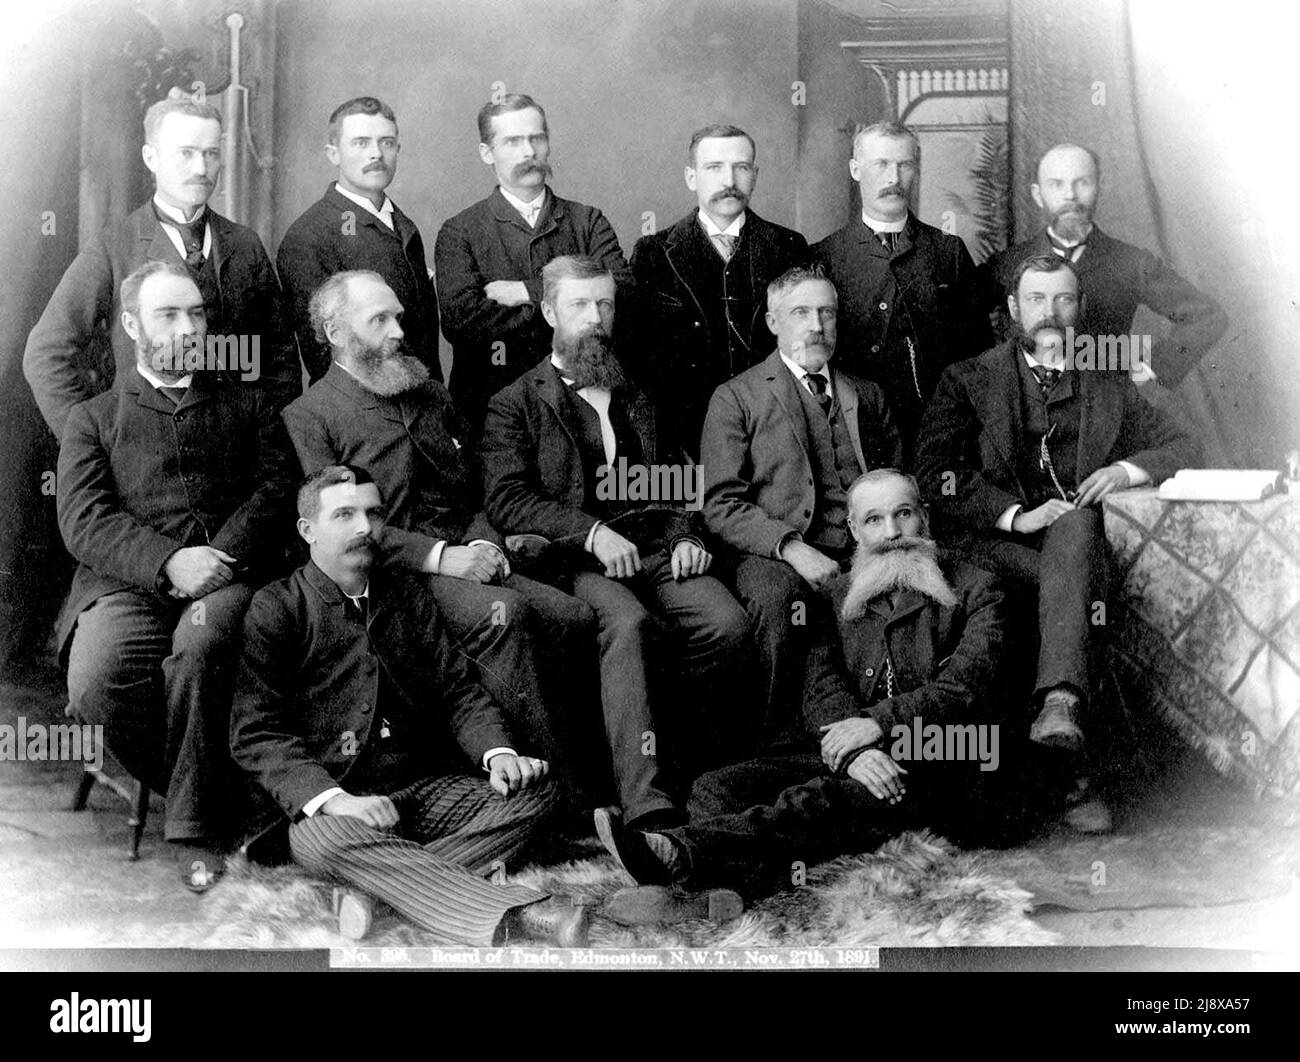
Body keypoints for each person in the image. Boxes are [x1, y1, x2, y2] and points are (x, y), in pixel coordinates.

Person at [593, 470, 1007, 919]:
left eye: (903, 514)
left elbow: (967, 686)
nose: (891, 533)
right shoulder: (839, 592)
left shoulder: (978, 587)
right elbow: (820, 682)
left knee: (815, 801)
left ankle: (678, 854)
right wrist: (855, 753)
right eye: (874, 520)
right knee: (717, 787)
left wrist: (877, 725)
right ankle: (718, 893)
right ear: (853, 530)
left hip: (944, 758)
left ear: (923, 516)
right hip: (857, 752)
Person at [229, 465, 588, 946]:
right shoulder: (277, 607)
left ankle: (376, 896)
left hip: (421, 792)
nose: (364, 527)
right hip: (335, 804)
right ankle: (519, 913)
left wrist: (500, 755)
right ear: (307, 530)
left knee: (537, 791)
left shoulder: (405, 594)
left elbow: (456, 692)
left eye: (374, 513)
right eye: (344, 514)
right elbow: (257, 734)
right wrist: (338, 802)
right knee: (322, 840)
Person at [280, 270, 597, 791]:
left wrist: (481, 543)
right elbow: (337, 527)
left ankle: (584, 782)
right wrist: (439, 556)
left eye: (398, 317)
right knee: (507, 615)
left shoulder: (427, 394)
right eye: (378, 319)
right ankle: (549, 793)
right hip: (387, 575)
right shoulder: (308, 415)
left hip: (466, 555)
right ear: (336, 333)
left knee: (574, 615)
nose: (398, 331)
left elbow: (472, 490)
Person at [914, 254, 1200, 832]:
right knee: (1070, 566)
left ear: (1081, 309)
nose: (1052, 313)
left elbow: (1184, 447)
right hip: (997, 547)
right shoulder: (967, 379)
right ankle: (1069, 754)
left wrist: (1126, 469)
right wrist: (1014, 515)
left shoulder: (1105, 380)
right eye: (1038, 300)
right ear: (1015, 310)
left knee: (1074, 528)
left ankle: (1061, 720)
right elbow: (936, 475)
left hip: (1079, 546)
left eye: (1064, 300)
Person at [481, 255, 752, 833]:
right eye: (579, 306)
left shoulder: (640, 387)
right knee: (628, 627)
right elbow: (508, 501)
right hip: (572, 562)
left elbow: (681, 478)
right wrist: (593, 533)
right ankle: (647, 805)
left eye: (604, 305)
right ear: (549, 311)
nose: (595, 319)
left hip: (655, 550)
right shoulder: (516, 402)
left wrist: (684, 536)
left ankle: (690, 769)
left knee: (727, 625)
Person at [57, 260, 296, 891]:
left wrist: (216, 558)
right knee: (97, 680)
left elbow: (276, 491)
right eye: (169, 314)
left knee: (203, 642)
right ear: (133, 324)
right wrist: (167, 562)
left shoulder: (248, 404)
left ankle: (195, 831)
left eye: (196, 312)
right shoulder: (94, 418)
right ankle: (230, 800)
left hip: (229, 578)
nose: (188, 326)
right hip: (129, 586)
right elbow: (84, 519)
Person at [701, 264, 901, 737]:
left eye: (826, 313)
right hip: (775, 553)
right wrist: (792, 548)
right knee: (778, 600)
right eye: (801, 313)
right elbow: (720, 503)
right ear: (773, 323)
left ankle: (883, 734)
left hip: (864, 545)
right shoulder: (736, 397)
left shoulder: (866, 394)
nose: (816, 326)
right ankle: (776, 743)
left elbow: (898, 479)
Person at [25, 92, 298, 440]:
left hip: (237, 457)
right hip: (151, 456)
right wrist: (89, 442)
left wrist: (267, 438)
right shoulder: (114, 247)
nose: (201, 168)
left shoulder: (245, 244)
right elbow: (45, 353)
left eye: (211, 154)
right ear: (151, 157)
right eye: (186, 153)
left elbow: (280, 355)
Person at [435, 93, 631, 433]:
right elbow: (462, 322)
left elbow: (624, 291)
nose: (528, 152)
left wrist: (527, 291)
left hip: (585, 403)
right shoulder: (460, 231)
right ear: (487, 153)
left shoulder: (587, 221)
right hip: (489, 409)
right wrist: (573, 309)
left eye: (536, 138)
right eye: (512, 141)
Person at [981, 143, 1227, 390]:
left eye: (1083, 183)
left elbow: (1207, 316)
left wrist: (1151, 368)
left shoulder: (1131, 262)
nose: (1070, 196)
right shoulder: (1008, 263)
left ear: (1100, 186)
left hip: (1104, 413)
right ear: (1037, 194)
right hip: (1026, 414)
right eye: (1056, 184)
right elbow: (951, 316)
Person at [812, 121, 990, 462]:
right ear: (855, 169)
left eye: (904, 165)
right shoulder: (825, 256)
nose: (893, 178)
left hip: (936, 433)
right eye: (881, 164)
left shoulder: (948, 252)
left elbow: (977, 356)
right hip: (854, 435)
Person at [628, 123, 808, 457]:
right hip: (685, 438)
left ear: (754, 175)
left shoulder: (788, 248)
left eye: (741, 168)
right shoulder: (652, 254)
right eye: (714, 168)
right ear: (691, 177)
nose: (729, 182)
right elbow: (642, 361)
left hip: (773, 430)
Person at [276, 97, 442, 383]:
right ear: (333, 154)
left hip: (424, 402)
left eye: (386, 143)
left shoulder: (403, 225)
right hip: (362, 414)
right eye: (361, 143)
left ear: (398, 150)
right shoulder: (309, 236)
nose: (376, 154)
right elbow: (322, 353)